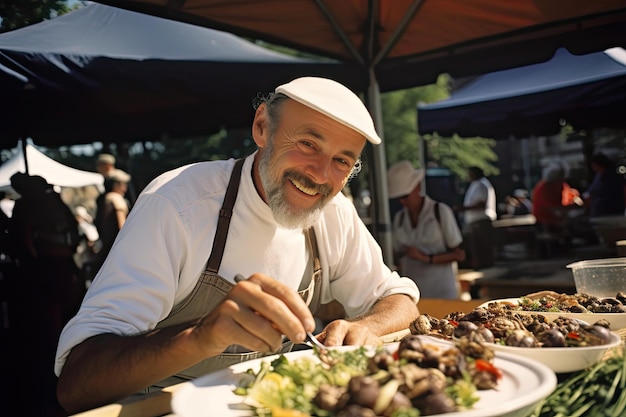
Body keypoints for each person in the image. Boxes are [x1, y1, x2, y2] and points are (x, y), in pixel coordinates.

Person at [55, 77, 420, 414]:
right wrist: (200, 337)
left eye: (342, 160)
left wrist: (369, 327)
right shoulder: (177, 204)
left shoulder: (333, 213)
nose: (320, 175)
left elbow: (399, 299)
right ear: (262, 126)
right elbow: (77, 382)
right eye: (308, 143)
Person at [8, 173, 84, 417]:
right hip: (62, 267)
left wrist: (32, 264)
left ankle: (60, 368)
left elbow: (24, 238)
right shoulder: (54, 202)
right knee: (64, 320)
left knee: (51, 324)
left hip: (47, 270)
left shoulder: (29, 205)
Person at [388, 161, 465, 299]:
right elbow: (395, 255)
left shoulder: (440, 212)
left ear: (417, 187)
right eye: (399, 198)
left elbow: (459, 255)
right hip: (413, 296)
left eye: (405, 196)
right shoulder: (399, 218)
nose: (403, 202)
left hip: (443, 294)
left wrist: (424, 257)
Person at [455, 166, 496, 269]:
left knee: (482, 247)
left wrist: (463, 208)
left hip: (481, 219)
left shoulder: (482, 184)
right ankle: (479, 266)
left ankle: (486, 269)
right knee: (475, 247)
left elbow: (481, 203)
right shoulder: (475, 184)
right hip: (473, 220)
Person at [93, 168, 132, 273]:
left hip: (107, 243)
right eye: (123, 184)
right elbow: (121, 225)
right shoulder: (116, 198)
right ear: (116, 185)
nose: (125, 188)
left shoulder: (106, 198)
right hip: (116, 245)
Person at [583, 152, 626, 217]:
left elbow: (603, 192)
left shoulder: (612, 177)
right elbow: (592, 189)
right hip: (598, 210)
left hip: (609, 211)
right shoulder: (598, 175)